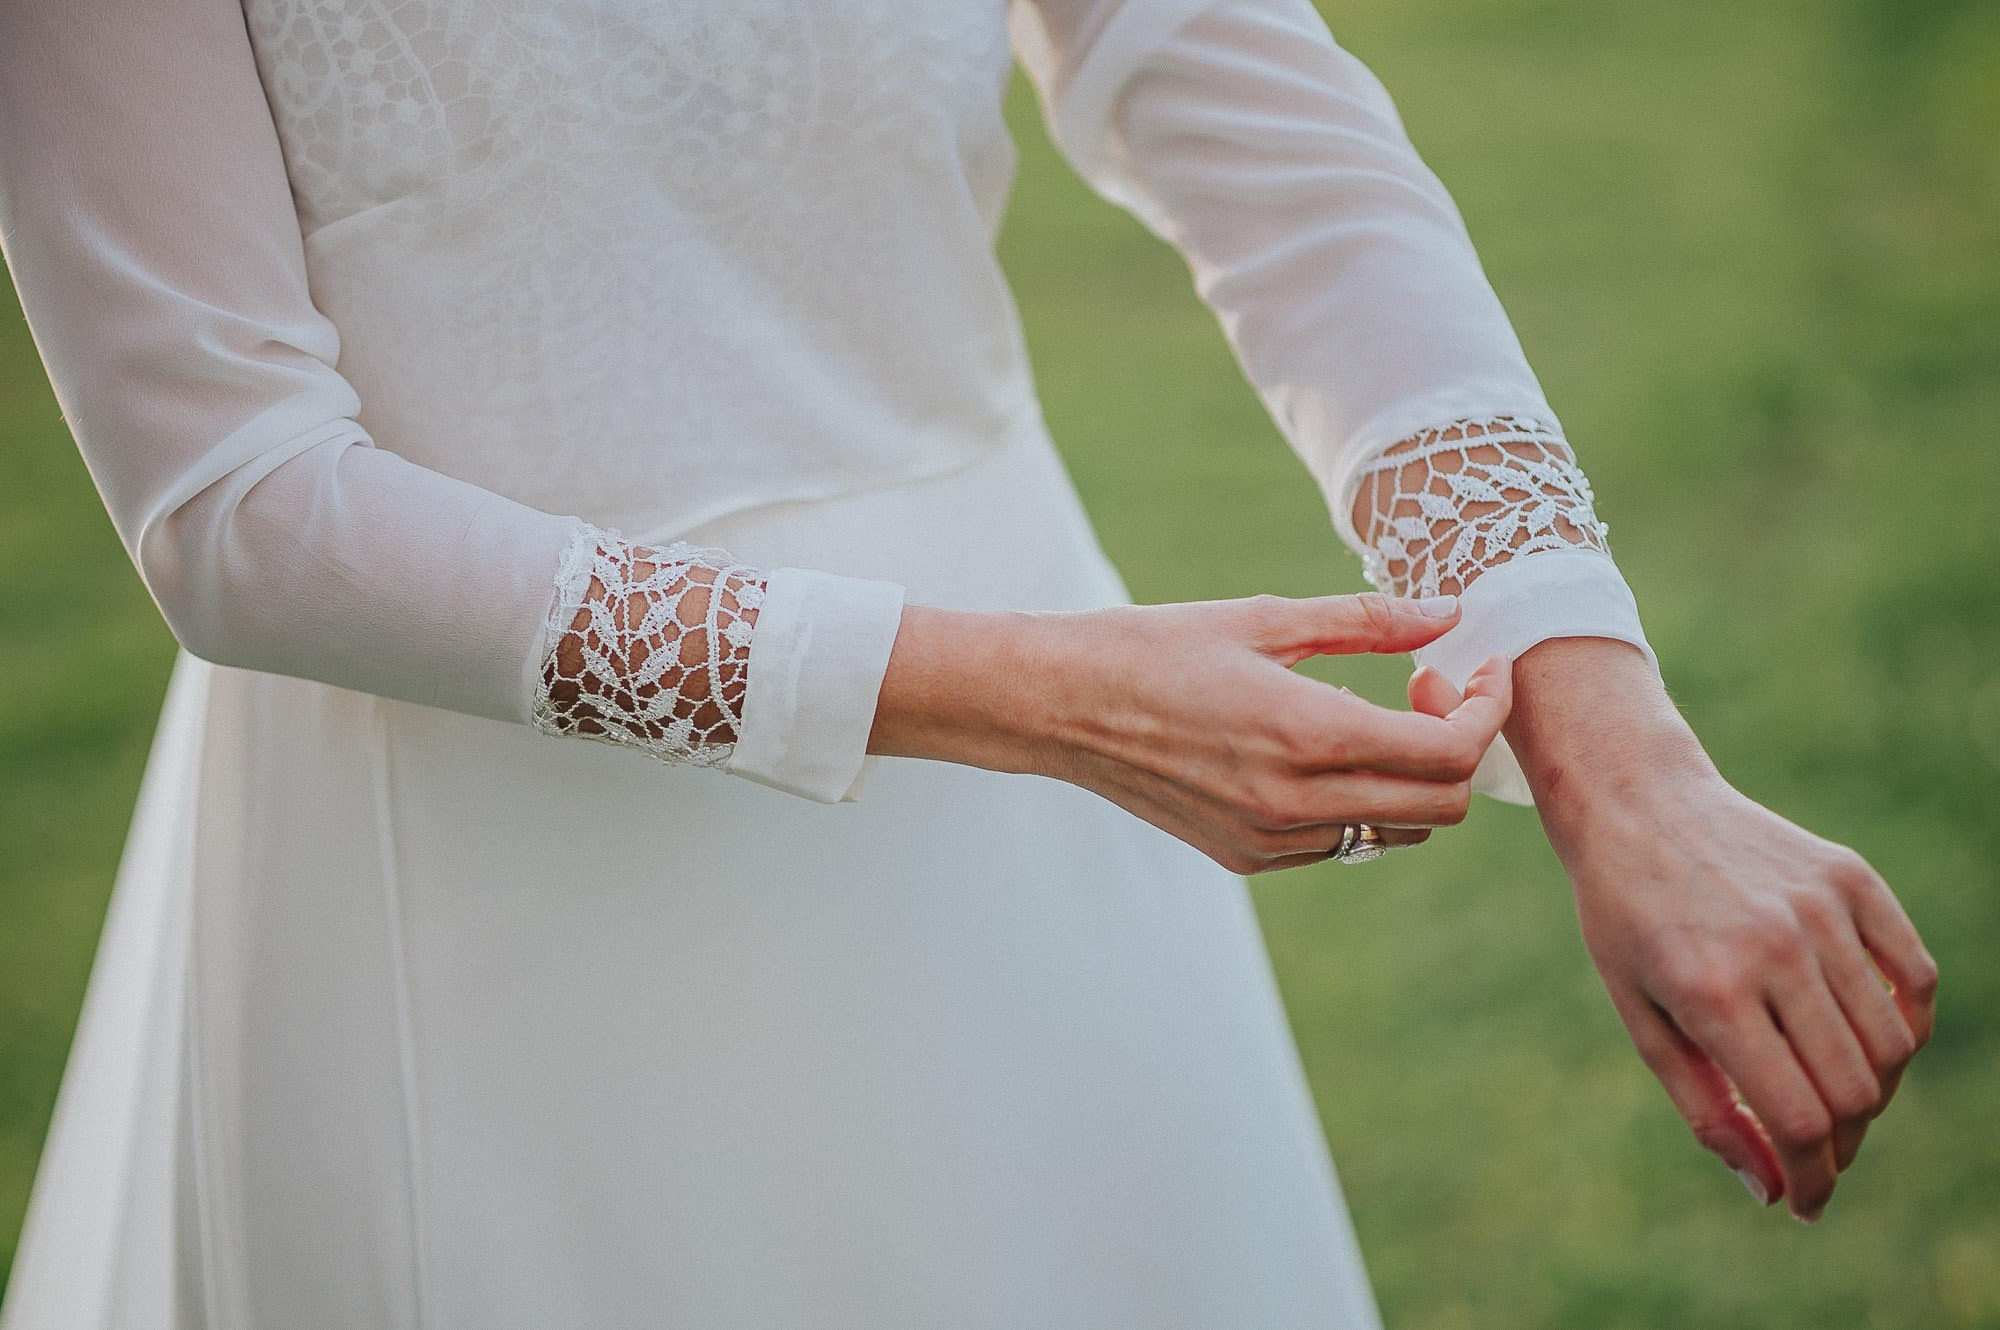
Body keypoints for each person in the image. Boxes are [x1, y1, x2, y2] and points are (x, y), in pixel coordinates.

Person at [0, 0, 1936, 1325]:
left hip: (1033, 870)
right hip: (482, 859)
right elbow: (238, 503)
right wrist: (1037, 697)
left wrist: (1612, 739)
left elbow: (1262, 126)